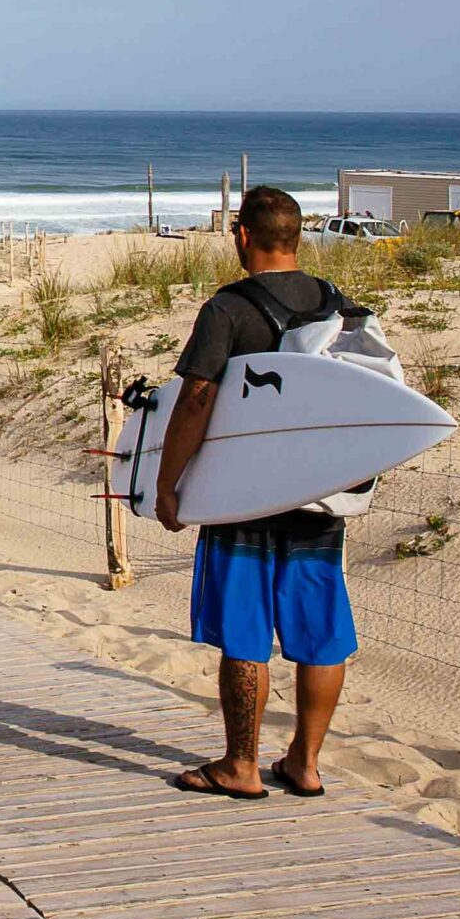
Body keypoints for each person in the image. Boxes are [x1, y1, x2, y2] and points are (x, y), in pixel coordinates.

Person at [154, 184, 355, 801]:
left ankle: (241, 765)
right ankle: (305, 763)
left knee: (245, 633)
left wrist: (168, 483)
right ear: (297, 236)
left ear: (242, 235)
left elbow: (196, 399)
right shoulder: (337, 304)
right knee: (319, 633)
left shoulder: (228, 309)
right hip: (317, 494)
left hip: (243, 496)